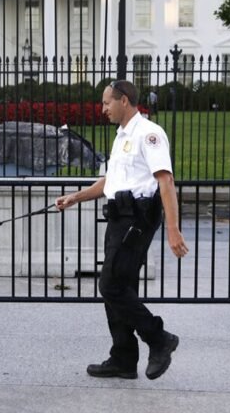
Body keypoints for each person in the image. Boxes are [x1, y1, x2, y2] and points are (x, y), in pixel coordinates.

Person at [55, 80, 188, 380]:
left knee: (110, 286)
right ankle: (124, 359)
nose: (102, 109)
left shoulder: (149, 134)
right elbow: (111, 182)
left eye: (106, 103)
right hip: (118, 219)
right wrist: (75, 197)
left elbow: (166, 182)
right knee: (120, 289)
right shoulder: (122, 137)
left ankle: (159, 338)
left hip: (136, 221)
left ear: (124, 101)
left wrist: (173, 229)